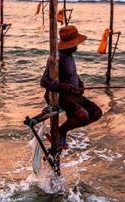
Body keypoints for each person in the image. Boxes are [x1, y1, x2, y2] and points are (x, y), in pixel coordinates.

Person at [40, 25, 102, 155]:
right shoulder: (56, 58)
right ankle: (60, 131)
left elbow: (72, 73)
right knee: (82, 115)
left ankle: (64, 130)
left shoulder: (69, 55)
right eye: (75, 43)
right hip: (59, 95)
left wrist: (80, 83)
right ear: (68, 44)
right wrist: (62, 86)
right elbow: (44, 81)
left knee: (96, 112)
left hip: (73, 94)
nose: (77, 46)